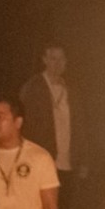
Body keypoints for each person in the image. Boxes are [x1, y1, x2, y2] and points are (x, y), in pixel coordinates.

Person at [19, 46, 77, 181]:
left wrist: (82, 158)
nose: (57, 63)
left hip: (67, 162)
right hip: (42, 159)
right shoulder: (33, 88)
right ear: (45, 60)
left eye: (61, 59)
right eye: (53, 59)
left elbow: (78, 125)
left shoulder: (70, 89)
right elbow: (24, 125)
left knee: (65, 200)